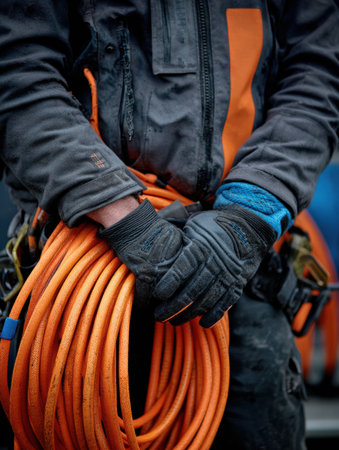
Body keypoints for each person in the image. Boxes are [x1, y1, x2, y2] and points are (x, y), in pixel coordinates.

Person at [1, 1, 339, 448]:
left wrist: (247, 216)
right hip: (73, 285)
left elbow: (316, 78)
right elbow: (17, 77)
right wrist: (127, 221)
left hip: (240, 276)